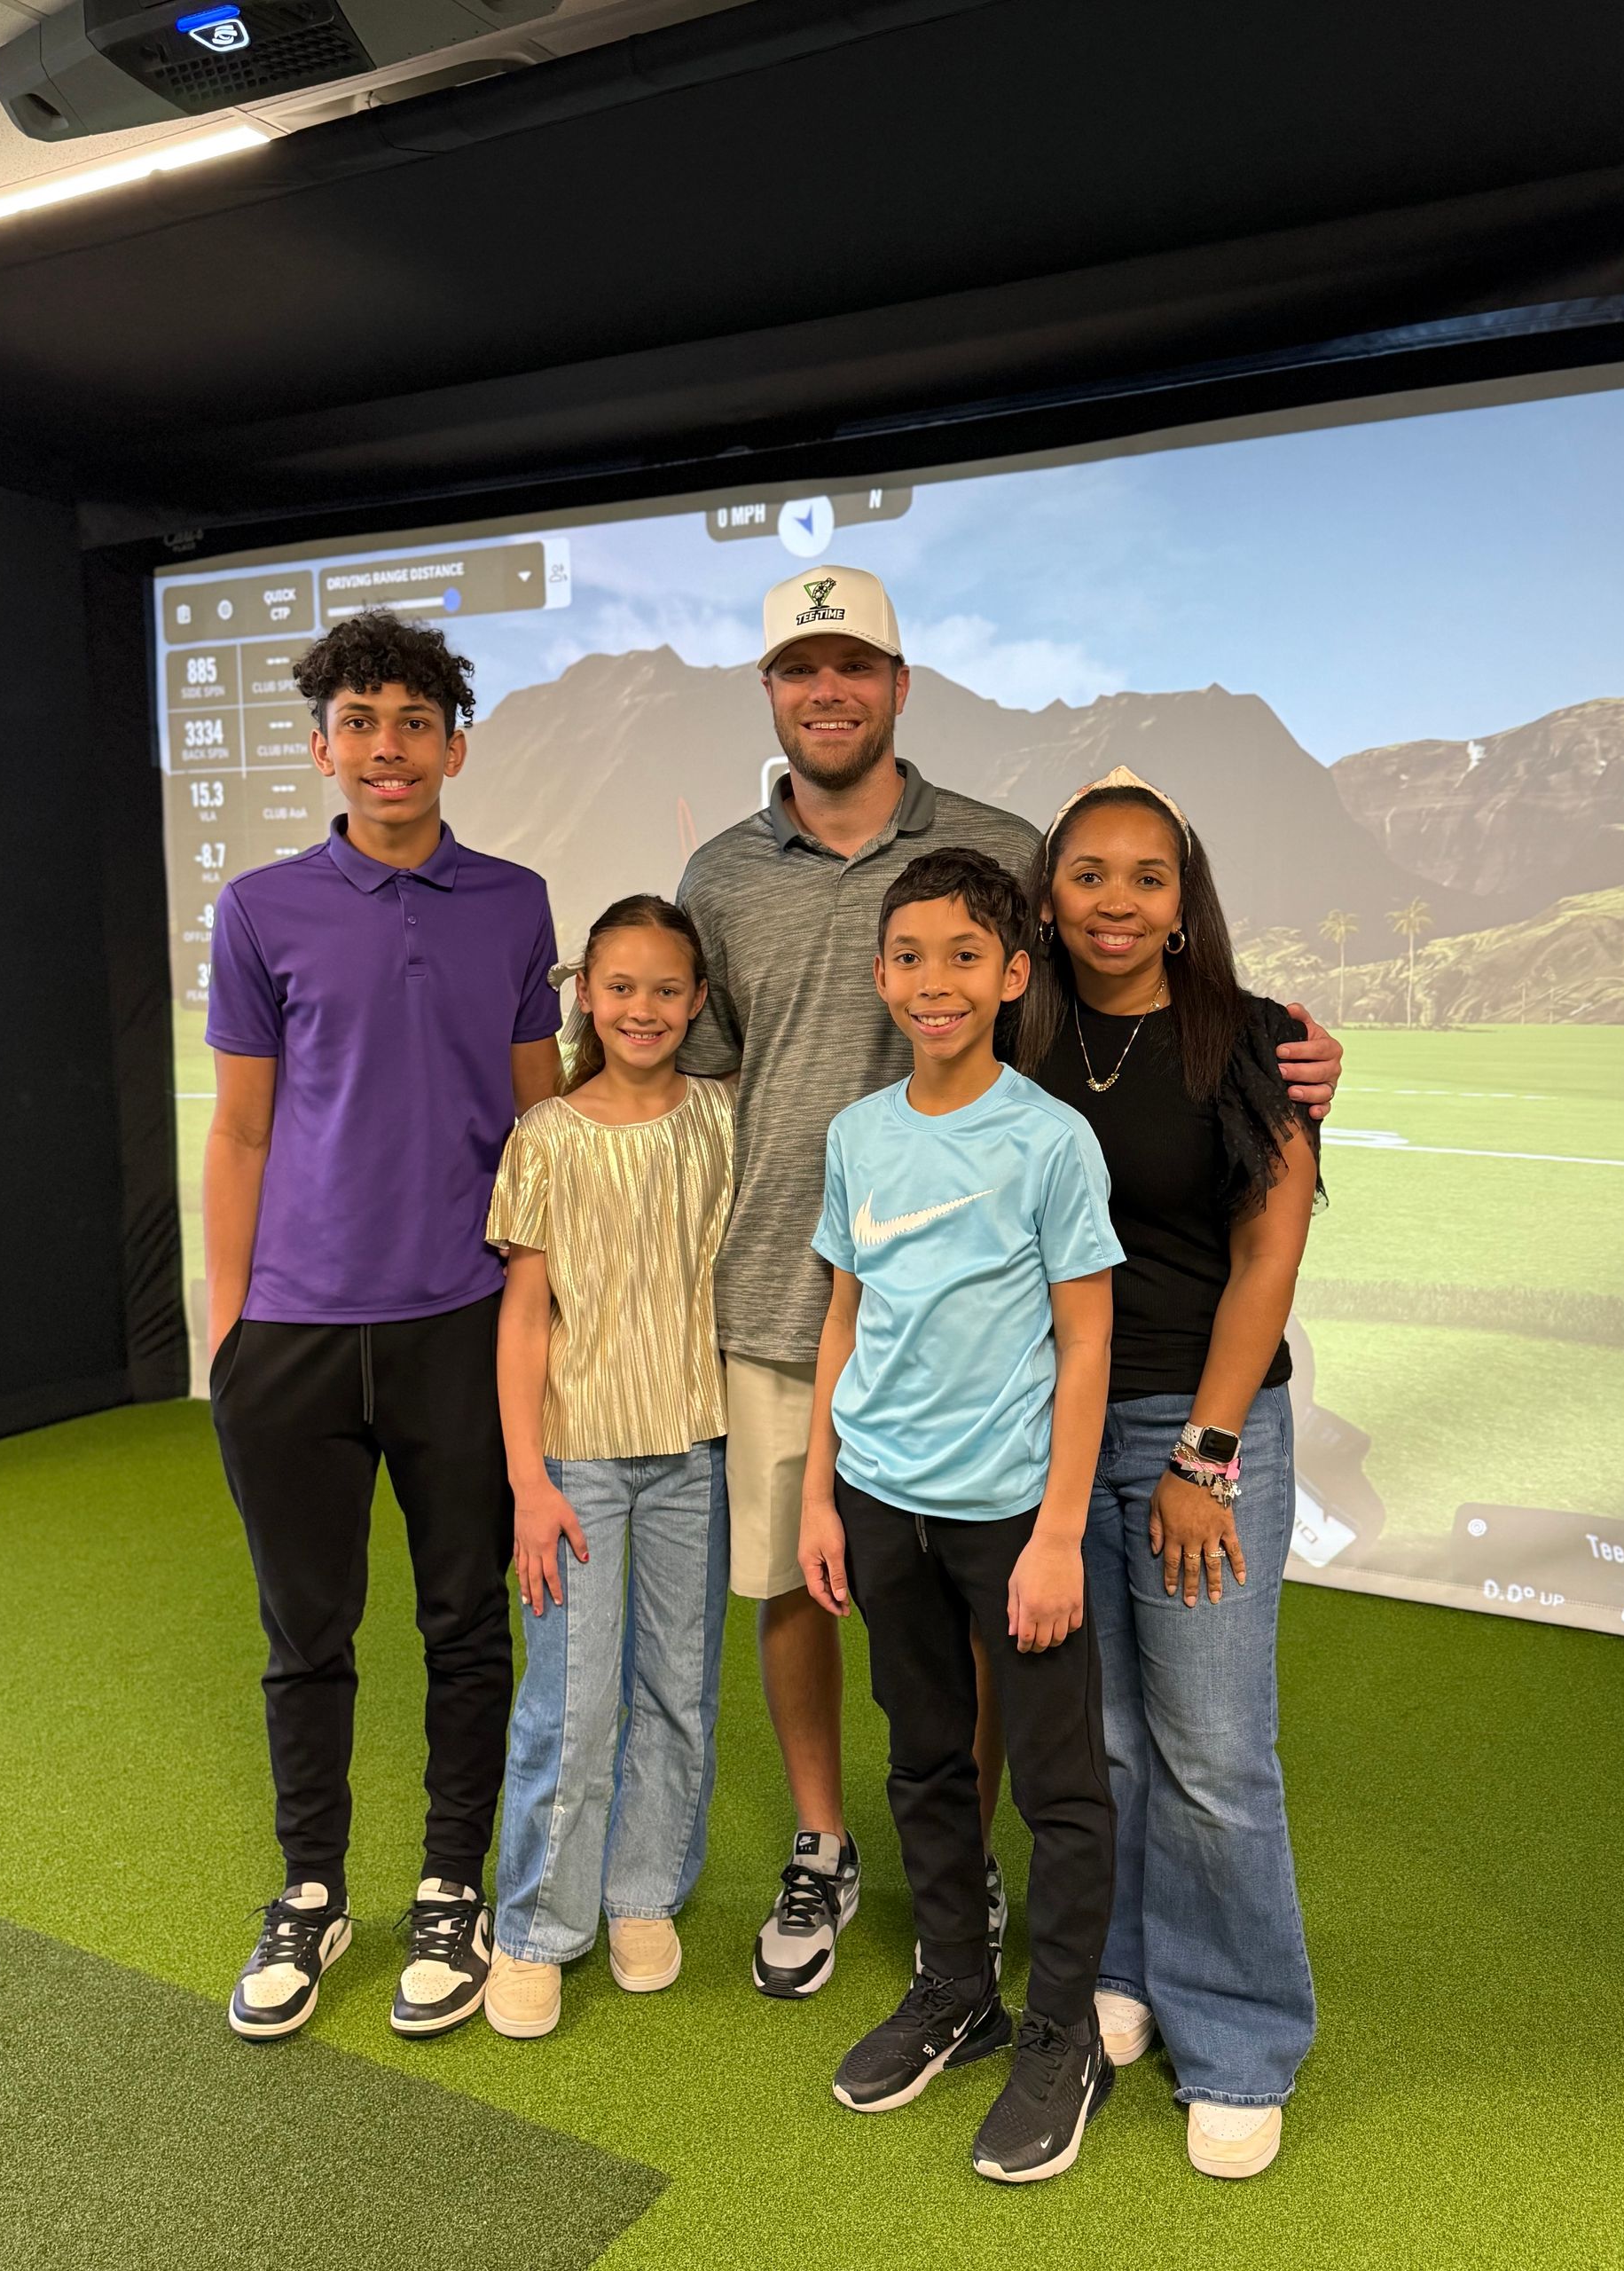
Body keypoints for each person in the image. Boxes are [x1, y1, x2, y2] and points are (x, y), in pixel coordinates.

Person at [676, 562, 1346, 2000]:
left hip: (1058, 1369)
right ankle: (878, 1869)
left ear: (900, 686)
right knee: (866, 1619)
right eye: (802, 670)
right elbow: (700, 1065)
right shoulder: (726, 876)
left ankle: (1082, 1945)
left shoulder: (1005, 854)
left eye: (855, 667)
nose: (829, 690)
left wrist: (1298, 1067)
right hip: (833, 1314)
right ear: (774, 692)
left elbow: (1229, 1165)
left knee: (1100, 1683)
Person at [205, 609, 561, 2041]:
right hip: (291, 1335)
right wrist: (230, 1337)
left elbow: (542, 1118)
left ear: (454, 746)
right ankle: (310, 1889)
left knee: (467, 1624)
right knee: (308, 1633)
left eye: (414, 721)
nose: (388, 747)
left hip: (461, 1323)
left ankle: (447, 1887)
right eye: (360, 722)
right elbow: (238, 1133)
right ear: (322, 748)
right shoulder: (260, 910)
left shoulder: (517, 900)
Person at [1014, 766, 1322, 2181]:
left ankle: (1243, 2035)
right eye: (1089, 874)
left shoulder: (1251, 1039)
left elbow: (1270, 1252)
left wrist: (1207, 1449)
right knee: (1114, 1738)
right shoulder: (1022, 1033)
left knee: (1213, 1751)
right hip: (1061, 1433)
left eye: (1147, 877)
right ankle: (1127, 1968)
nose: (1116, 901)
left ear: (1185, 901)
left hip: (1206, 1433)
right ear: (1052, 893)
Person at [798, 847, 1122, 2184]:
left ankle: (1063, 2034)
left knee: (1056, 1786)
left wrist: (1056, 1535)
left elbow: (1086, 1344)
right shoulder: (859, 1135)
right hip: (880, 1503)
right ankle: (955, 1990)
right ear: (883, 977)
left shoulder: (1050, 1139)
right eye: (911, 958)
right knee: (925, 1759)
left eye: (963, 959)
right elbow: (844, 1314)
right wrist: (818, 1489)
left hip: (1008, 1520)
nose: (935, 983)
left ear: (1013, 976)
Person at [482, 897, 733, 2040]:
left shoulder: (721, 1122)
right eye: (620, 986)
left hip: (695, 1455)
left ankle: (641, 1894)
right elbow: (525, 1318)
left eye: (667, 990)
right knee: (572, 1702)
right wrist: (528, 1479)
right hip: (578, 1465)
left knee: (676, 1689)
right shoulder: (546, 1136)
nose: (643, 1009)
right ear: (586, 992)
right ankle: (537, 1926)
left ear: (695, 1001)